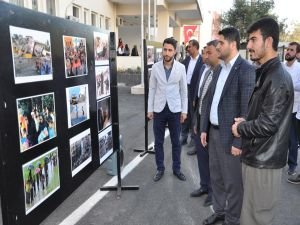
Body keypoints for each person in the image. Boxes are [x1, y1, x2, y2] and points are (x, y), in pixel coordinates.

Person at [232, 17, 294, 225]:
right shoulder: (266, 72)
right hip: (257, 157)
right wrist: (247, 120)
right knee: (250, 216)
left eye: (253, 40)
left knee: (258, 218)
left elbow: (268, 124)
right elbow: (265, 115)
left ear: (268, 42)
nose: (248, 45)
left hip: (264, 162)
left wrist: (241, 127)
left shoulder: (276, 77)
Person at [201, 27, 255, 225]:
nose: (218, 46)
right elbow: (208, 101)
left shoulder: (246, 70)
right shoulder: (218, 69)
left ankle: (232, 220)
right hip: (213, 134)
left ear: (233, 45)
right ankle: (220, 211)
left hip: (231, 137)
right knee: (216, 178)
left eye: (221, 43)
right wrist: (204, 128)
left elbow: (246, 111)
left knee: (233, 183)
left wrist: (238, 141)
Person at [148, 37, 188, 182]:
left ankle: (177, 169)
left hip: (175, 109)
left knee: (176, 141)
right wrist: (150, 109)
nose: (166, 53)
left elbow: (184, 91)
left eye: (170, 50)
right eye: (165, 49)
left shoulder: (181, 68)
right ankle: (160, 168)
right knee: (158, 142)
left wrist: (184, 111)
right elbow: (152, 89)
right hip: (159, 109)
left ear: (175, 51)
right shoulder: (155, 68)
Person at [190, 40, 221, 207]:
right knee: (201, 158)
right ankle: (204, 186)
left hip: (213, 125)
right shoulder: (206, 71)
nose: (205, 56)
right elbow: (200, 97)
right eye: (205, 53)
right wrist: (196, 120)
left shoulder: (222, 73)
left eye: (209, 53)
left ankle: (212, 192)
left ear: (218, 52)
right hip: (200, 121)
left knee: (212, 162)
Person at [181, 39, 203, 148]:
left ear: (195, 47)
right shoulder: (185, 61)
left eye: (190, 47)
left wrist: (197, 96)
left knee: (194, 115)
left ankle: (194, 139)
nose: (188, 49)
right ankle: (183, 136)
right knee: (184, 113)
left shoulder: (203, 61)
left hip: (195, 92)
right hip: (185, 90)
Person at [283, 42, 300, 176]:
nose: (288, 52)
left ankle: (292, 165)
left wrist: (289, 85)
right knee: (279, 138)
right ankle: (279, 161)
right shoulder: (281, 67)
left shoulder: (299, 68)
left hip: (294, 109)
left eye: (291, 50)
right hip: (279, 109)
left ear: (297, 53)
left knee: (292, 140)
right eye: (288, 49)